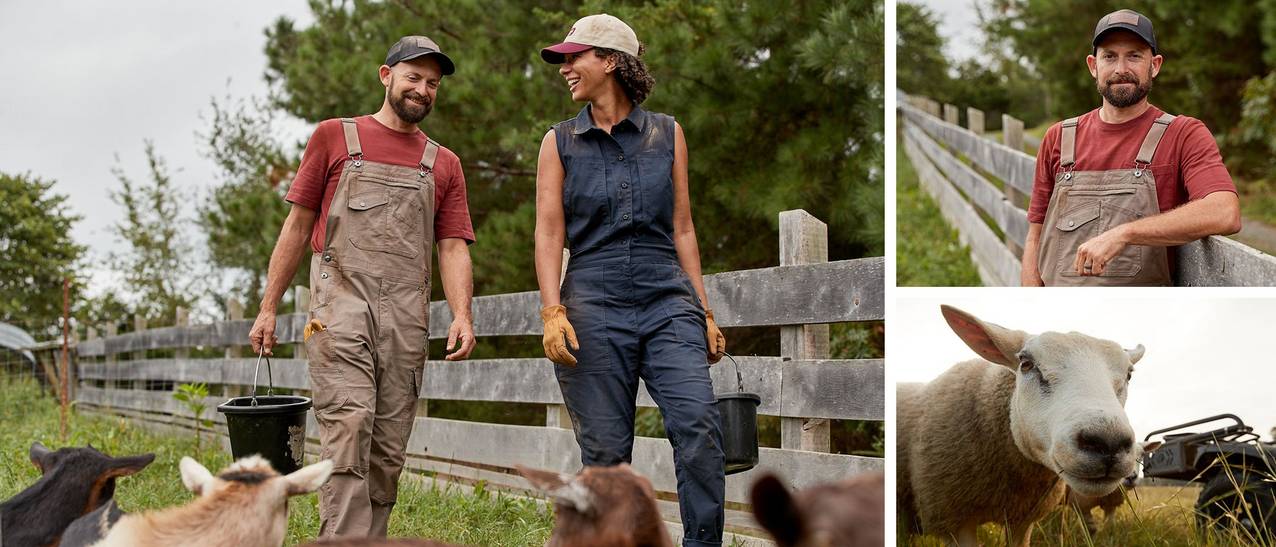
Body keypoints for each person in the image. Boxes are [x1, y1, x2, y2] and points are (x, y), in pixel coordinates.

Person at [247, 35, 477, 538]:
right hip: (340, 306)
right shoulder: (335, 137)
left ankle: (368, 538)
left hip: (407, 315)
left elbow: (454, 245)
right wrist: (268, 308)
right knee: (350, 424)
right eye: (413, 77)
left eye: (432, 83)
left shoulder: (443, 163)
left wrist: (461, 314)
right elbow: (296, 224)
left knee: (389, 442)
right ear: (385, 75)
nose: (422, 89)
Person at [533, 14, 728, 547]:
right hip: (592, 301)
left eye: (576, 57)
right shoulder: (560, 143)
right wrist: (552, 310)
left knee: (699, 430)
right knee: (606, 458)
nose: (565, 68)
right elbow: (549, 235)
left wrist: (704, 310)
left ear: (611, 61)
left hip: (667, 296)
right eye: (564, 60)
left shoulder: (667, 133)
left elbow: (683, 227)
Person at [1021, 8, 1240, 286]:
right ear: (1093, 66)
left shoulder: (1184, 134)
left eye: (1134, 55)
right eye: (1109, 56)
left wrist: (1124, 233)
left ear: (1155, 65)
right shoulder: (1058, 138)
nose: (1121, 69)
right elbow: (1035, 236)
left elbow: (1224, 212)